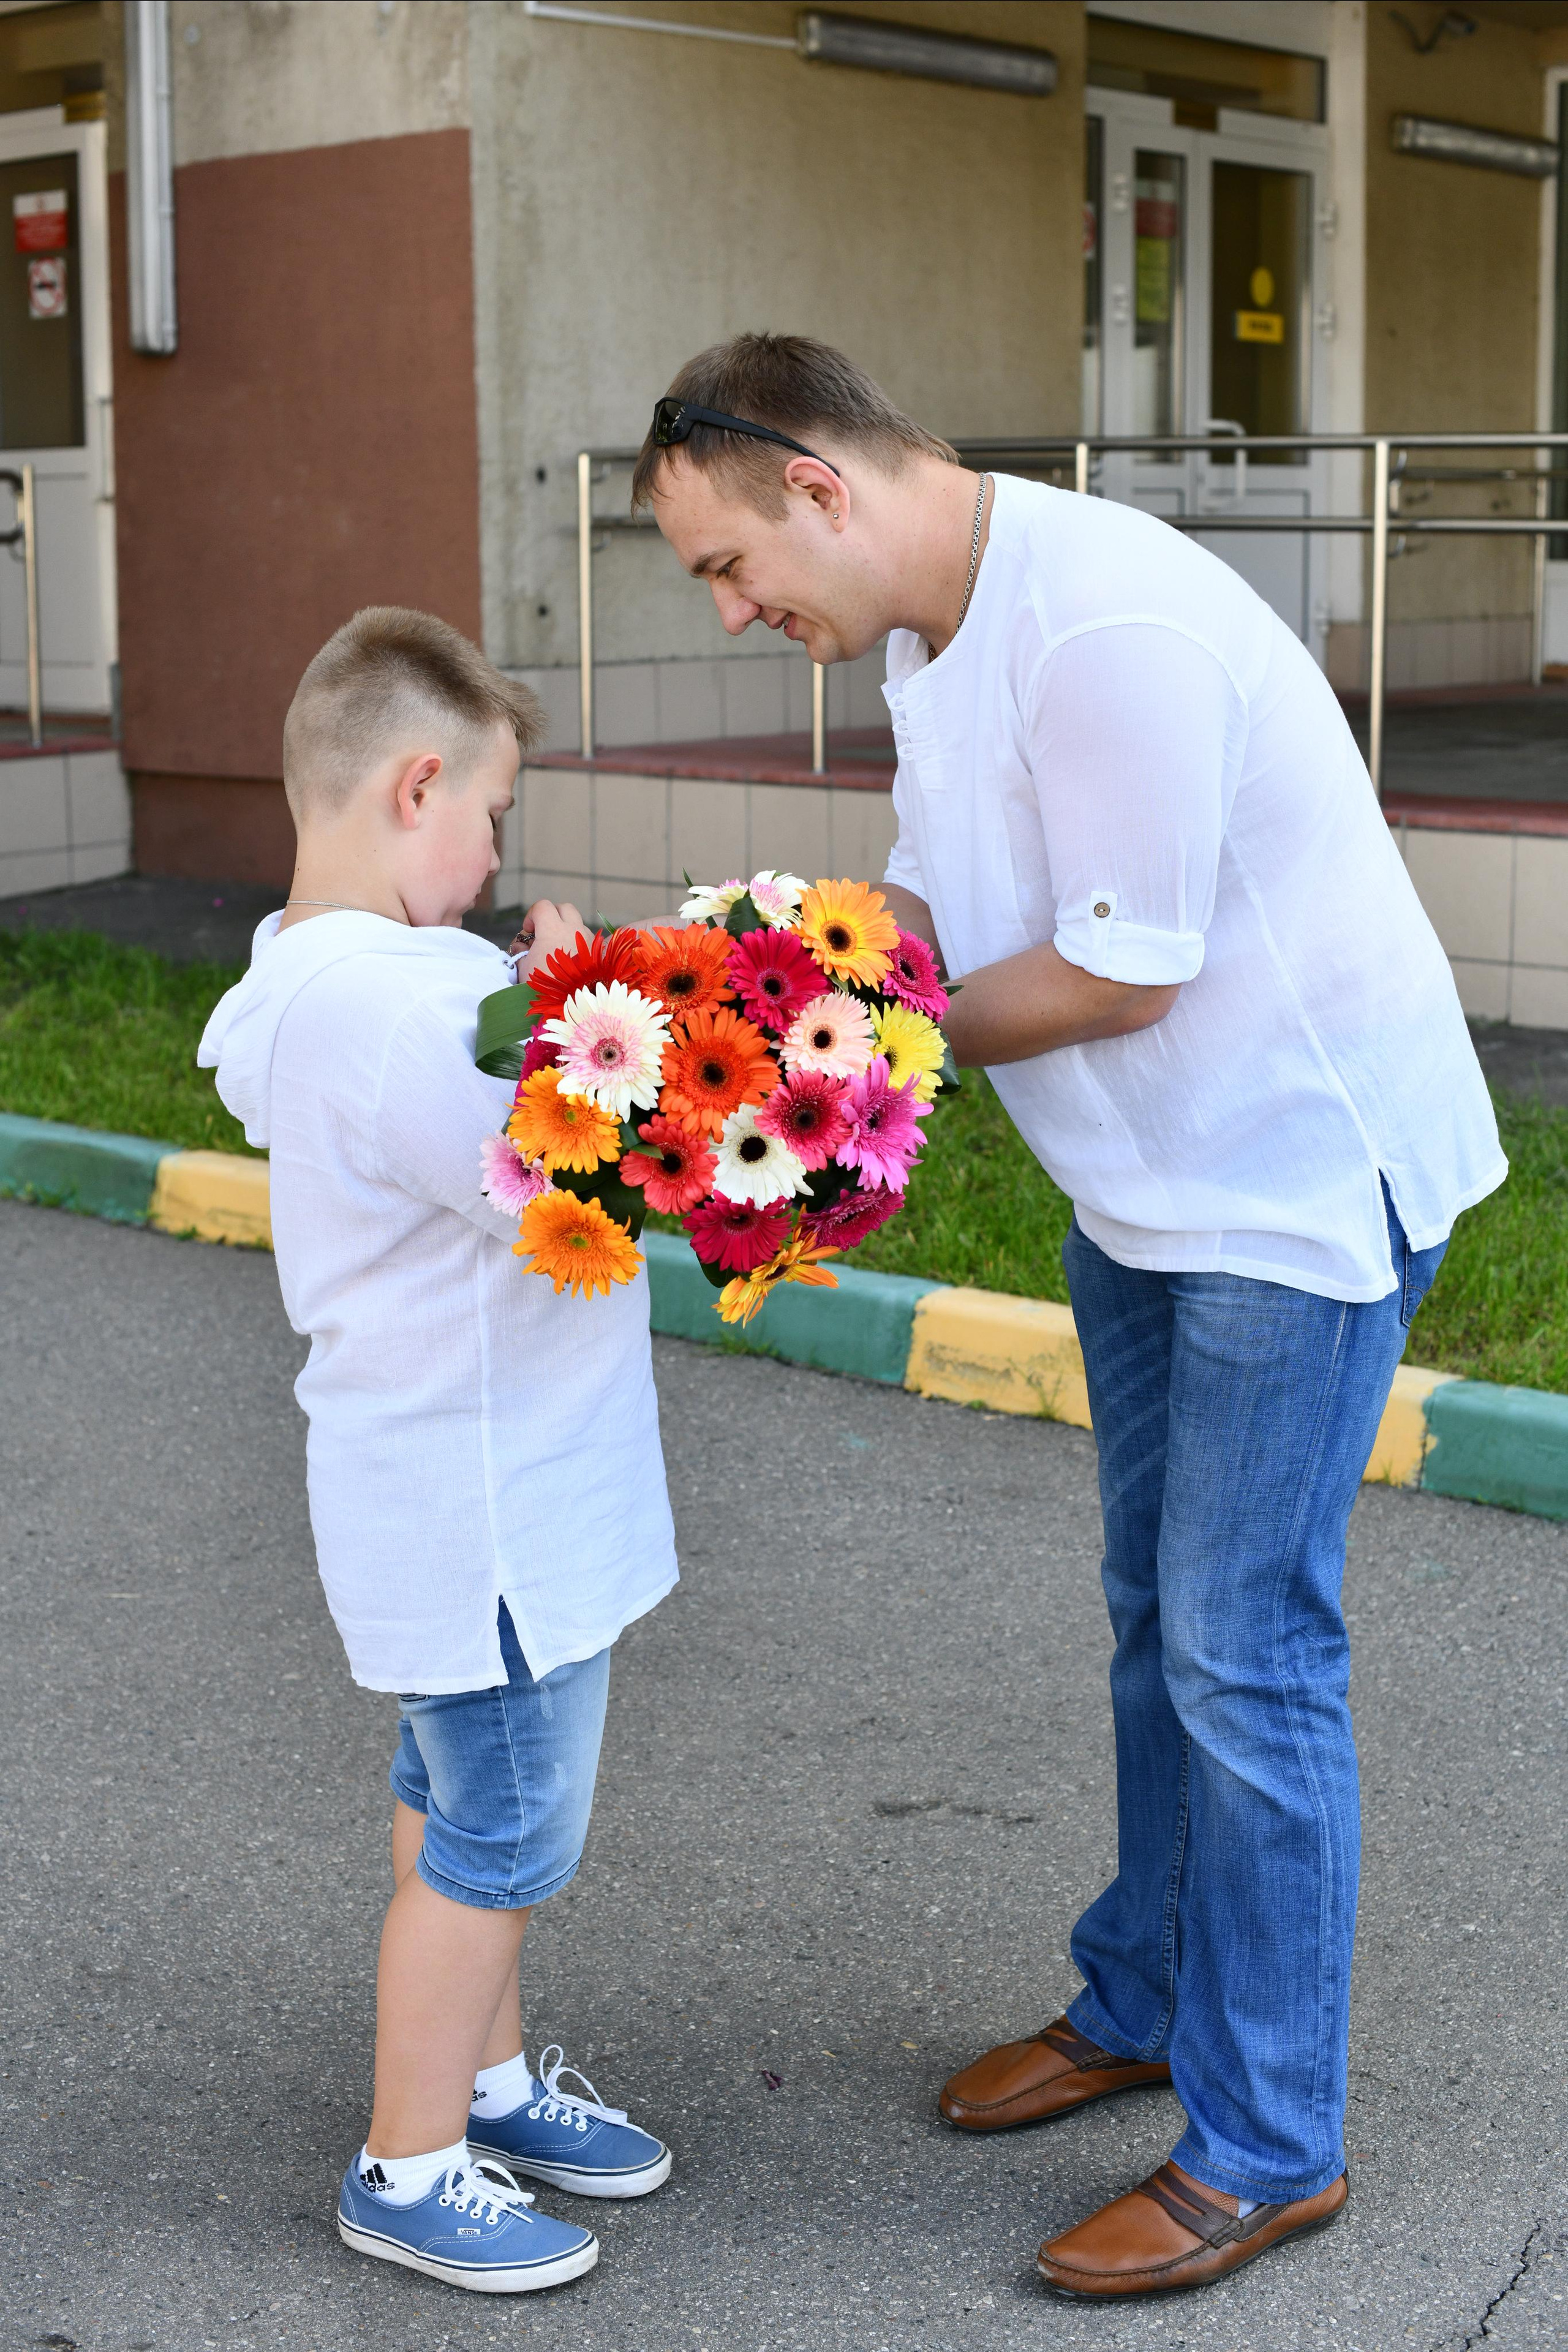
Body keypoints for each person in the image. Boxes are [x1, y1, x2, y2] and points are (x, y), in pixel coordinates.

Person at [633, 335, 1504, 2301]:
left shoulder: (1101, 623)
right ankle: (1146, 1997)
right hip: (1149, 1198)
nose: (735, 607)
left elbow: (1124, 967)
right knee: (1156, 1623)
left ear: (818, 486)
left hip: (1293, 1191)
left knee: (1244, 1650)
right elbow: (931, 918)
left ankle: (1269, 2144)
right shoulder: (925, 648)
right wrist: (766, 1019)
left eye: (725, 564)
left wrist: (838, 1061)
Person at [199, 607, 679, 2294]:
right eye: (491, 815)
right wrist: (594, 1021)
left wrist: (544, 1011)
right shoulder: (415, 1010)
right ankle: (409, 2166)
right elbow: (561, 1194)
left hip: (452, 1489)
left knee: (452, 1792)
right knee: (501, 1830)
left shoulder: (320, 979)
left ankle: (478, 2081)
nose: (490, 856)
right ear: (417, 788)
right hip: (495, 1518)